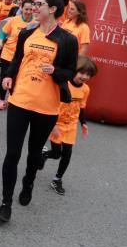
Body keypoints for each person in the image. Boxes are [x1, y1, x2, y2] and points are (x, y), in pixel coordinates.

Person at [0, 0, 78, 224]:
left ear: (51, 9)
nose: (33, 7)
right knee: (12, 153)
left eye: (39, 4)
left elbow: (71, 73)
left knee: (33, 153)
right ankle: (5, 203)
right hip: (20, 100)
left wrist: (56, 72)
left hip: (46, 107)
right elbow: (18, 59)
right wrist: (9, 76)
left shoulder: (67, 40)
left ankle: (29, 181)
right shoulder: (27, 32)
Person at [40, 56, 97, 195]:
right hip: (57, 123)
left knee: (67, 154)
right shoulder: (64, 84)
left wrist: (83, 123)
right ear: (75, 70)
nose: (85, 77)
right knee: (56, 153)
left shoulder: (86, 89)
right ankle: (46, 154)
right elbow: (50, 102)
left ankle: (57, 179)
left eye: (88, 74)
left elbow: (82, 107)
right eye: (82, 73)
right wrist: (52, 124)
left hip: (71, 125)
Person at [0, 0, 35, 110]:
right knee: (4, 77)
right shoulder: (14, 20)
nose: (28, 12)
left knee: (18, 79)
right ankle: (2, 99)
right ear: (21, 8)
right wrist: (0, 41)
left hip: (24, 57)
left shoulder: (35, 23)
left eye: (31, 9)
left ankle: (12, 99)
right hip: (8, 54)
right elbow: (4, 32)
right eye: (26, 9)